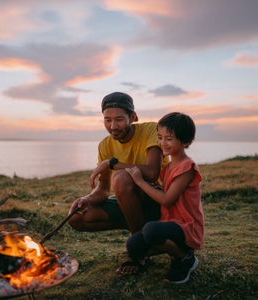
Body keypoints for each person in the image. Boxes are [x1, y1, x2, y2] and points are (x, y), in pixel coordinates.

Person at [117, 112, 204, 284]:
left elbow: (167, 200)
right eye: (160, 137)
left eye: (169, 138)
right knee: (133, 245)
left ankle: (185, 258)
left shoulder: (187, 168)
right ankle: (173, 251)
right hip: (170, 222)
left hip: (186, 226)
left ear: (185, 142)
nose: (162, 143)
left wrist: (140, 182)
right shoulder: (168, 167)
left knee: (150, 230)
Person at [68, 92, 168, 235]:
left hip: (158, 199)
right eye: (107, 120)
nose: (113, 126)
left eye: (119, 119)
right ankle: (140, 229)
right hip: (129, 203)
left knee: (121, 177)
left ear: (133, 117)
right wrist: (86, 199)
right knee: (77, 217)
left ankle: (140, 245)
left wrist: (111, 164)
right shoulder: (105, 145)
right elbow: (103, 190)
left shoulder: (152, 130)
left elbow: (152, 173)